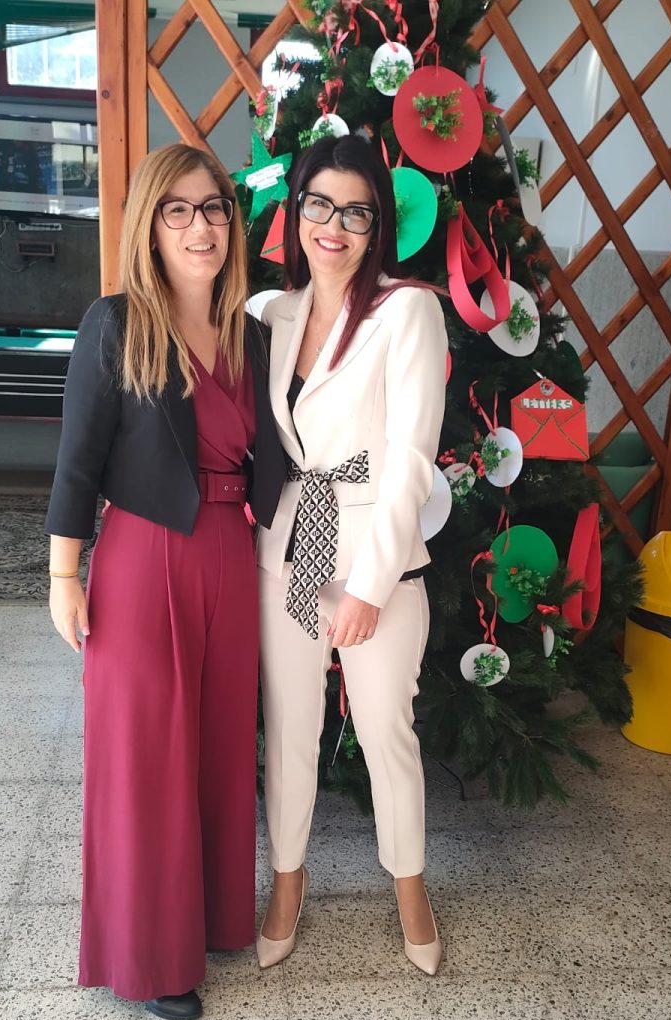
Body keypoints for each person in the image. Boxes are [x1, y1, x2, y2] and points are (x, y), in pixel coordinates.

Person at [45, 144, 285, 1020]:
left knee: (220, 746)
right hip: (144, 559)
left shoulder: (254, 335)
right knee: (146, 757)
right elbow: (77, 460)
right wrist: (63, 572)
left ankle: (214, 919)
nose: (199, 226)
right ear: (149, 225)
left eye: (213, 207)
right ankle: (150, 959)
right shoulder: (115, 324)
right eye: (177, 210)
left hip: (230, 554)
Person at [256, 135, 448, 976]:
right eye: (319, 205)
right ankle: (286, 881)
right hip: (288, 550)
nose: (333, 226)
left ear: (378, 226)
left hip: (377, 559)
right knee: (290, 728)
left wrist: (368, 586)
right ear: (296, 211)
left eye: (356, 212)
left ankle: (410, 889)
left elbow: (411, 460)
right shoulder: (272, 313)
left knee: (384, 732)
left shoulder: (407, 310)